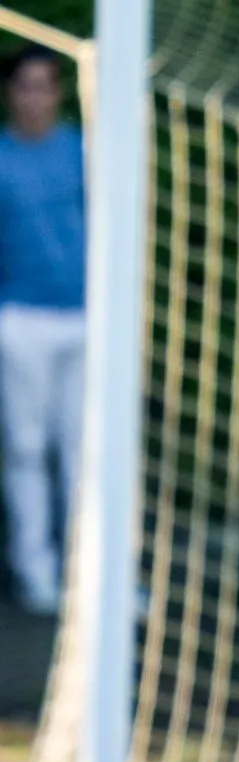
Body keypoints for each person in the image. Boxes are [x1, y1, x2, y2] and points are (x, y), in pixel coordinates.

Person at [0, 44, 86, 617]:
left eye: (45, 86)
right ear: (11, 93)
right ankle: (35, 573)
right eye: (25, 86)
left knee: (85, 452)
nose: (35, 98)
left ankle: (92, 576)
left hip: (84, 317)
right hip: (20, 320)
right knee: (26, 448)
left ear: (59, 93)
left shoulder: (83, 150)